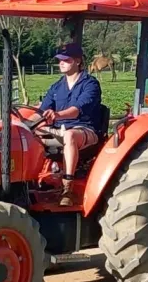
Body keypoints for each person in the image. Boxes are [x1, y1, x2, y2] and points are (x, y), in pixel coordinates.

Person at [38, 43, 103, 205]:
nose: (61, 63)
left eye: (66, 60)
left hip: (84, 129)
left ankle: (67, 188)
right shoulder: (57, 87)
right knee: (27, 133)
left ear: (78, 61)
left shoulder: (90, 84)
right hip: (58, 129)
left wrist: (57, 115)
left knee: (70, 135)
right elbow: (41, 111)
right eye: (59, 60)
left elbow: (77, 110)